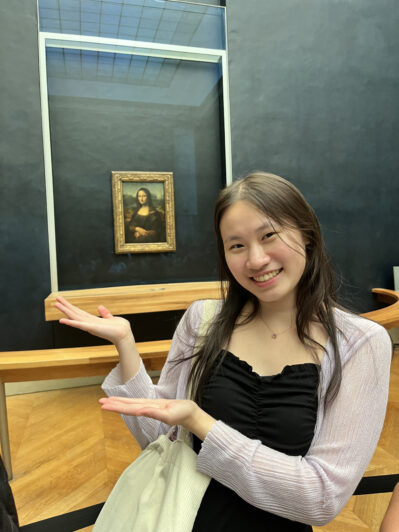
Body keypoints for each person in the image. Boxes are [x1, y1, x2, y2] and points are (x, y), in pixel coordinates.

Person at [55, 172, 392, 530]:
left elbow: (320, 499)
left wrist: (201, 423)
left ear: (307, 236)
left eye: (268, 236)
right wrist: (126, 345)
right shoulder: (203, 320)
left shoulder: (359, 344)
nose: (256, 260)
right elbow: (159, 439)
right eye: (236, 245)